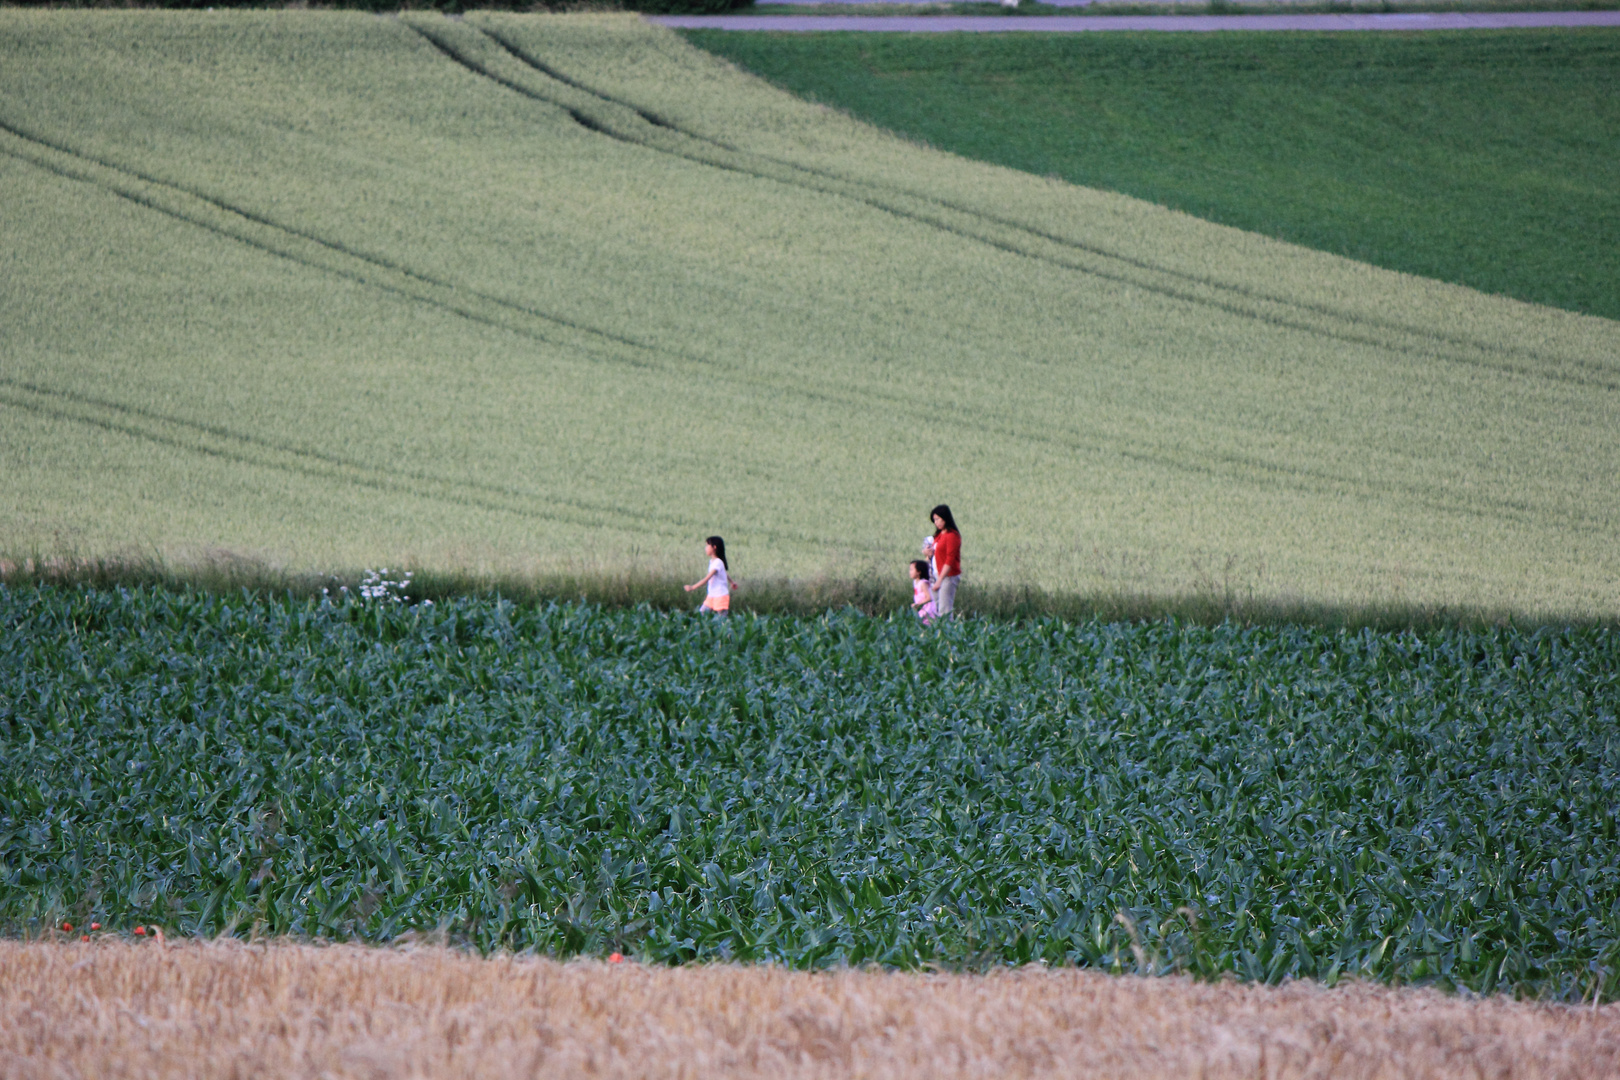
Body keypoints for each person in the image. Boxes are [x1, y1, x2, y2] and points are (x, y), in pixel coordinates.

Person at [684, 535, 735, 614]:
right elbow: (724, 573)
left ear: (714, 547)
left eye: (707, 546)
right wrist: (732, 582)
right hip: (712, 595)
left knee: (722, 621)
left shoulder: (718, 562)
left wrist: (692, 587)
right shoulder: (713, 562)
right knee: (701, 614)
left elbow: (706, 579)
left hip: (720, 595)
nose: (706, 548)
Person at [929, 504, 961, 618]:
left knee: (945, 610)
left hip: (948, 577)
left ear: (945, 518)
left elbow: (949, 560)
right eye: (934, 520)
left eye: (937, 519)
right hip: (936, 574)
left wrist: (940, 580)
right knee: (937, 609)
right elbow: (936, 551)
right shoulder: (939, 535)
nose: (935, 522)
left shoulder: (952, 536)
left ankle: (947, 633)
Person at [909, 559, 937, 625]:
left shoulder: (923, 583)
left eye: (911, 569)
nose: (910, 572)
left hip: (928, 609)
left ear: (919, 572)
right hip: (922, 608)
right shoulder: (915, 582)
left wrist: (918, 604)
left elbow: (929, 597)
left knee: (927, 625)